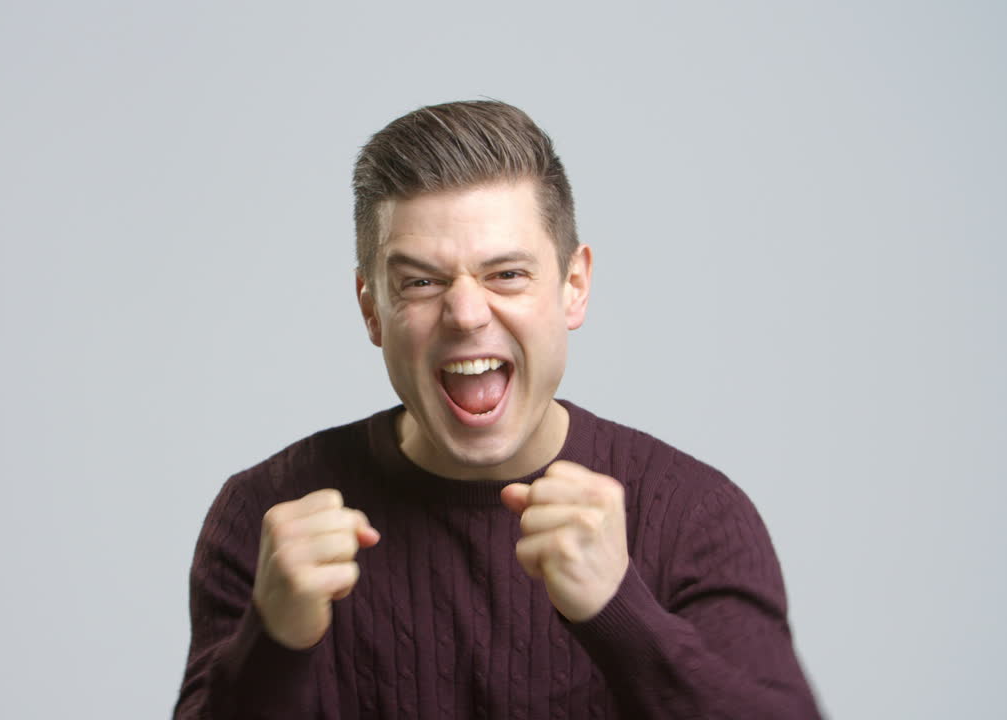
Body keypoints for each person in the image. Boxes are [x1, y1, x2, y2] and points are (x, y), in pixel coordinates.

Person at [172, 100, 821, 719]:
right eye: (420, 282)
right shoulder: (266, 518)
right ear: (372, 309)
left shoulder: (694, 516)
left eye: (507, 274)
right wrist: (272, 644)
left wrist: (621, 612)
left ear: (574, 285)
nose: (465, 313)